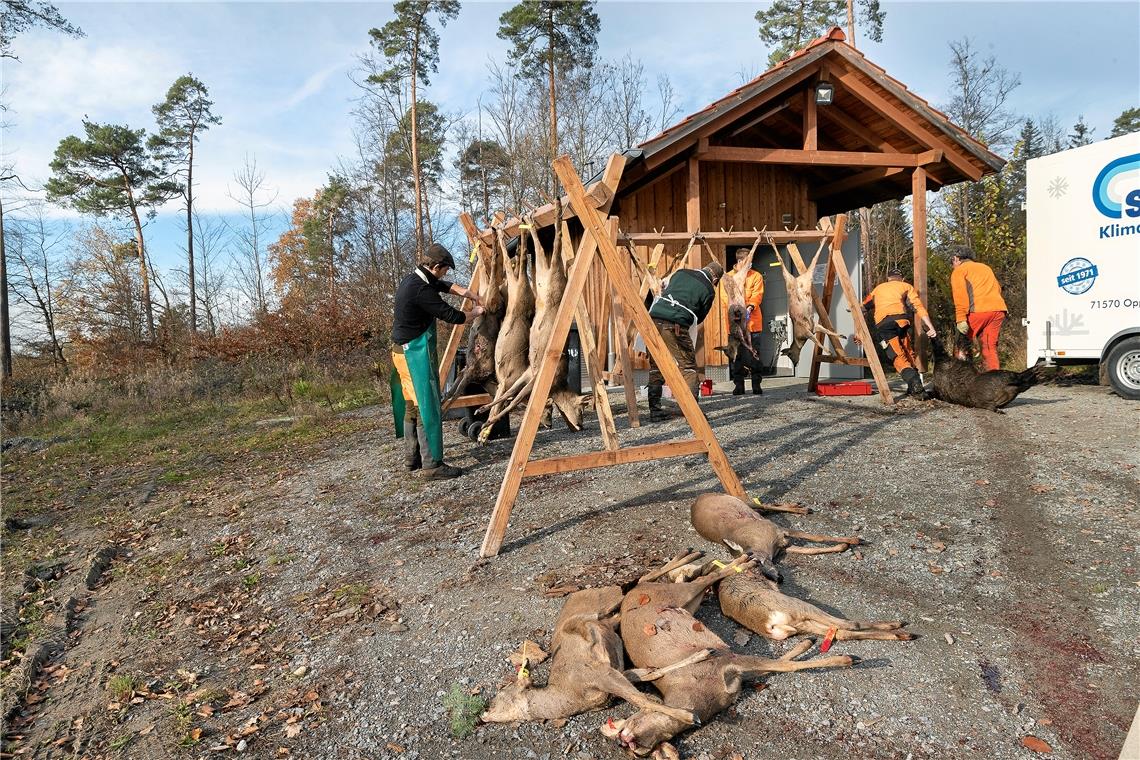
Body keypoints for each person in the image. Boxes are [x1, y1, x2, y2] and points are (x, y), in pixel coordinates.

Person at [390, 243, 484, 479]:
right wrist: (477, 313)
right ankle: (432, 465)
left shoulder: (414, 279)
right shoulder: (420, 290)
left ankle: (412, 460)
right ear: (435, 266)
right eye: (444, 270)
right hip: (413, 355)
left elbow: (441, 285)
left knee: (412, 405)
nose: (445, 275)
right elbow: (453, 315)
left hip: (402, 352)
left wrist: (467, 293)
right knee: (427, 406)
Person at [645, 260, 724, 421]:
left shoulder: (681, 273)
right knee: (688, 368)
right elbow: (700, 317)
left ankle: (655, 411)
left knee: (656, 366)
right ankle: (692, 413)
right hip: (675, 324)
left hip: (652, 320)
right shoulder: (709, 290)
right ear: (715, 280)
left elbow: (664, 288)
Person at [861, 267, 936, 399]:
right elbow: (918, 306)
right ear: (901, 278)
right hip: (902, 322)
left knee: (897, 357)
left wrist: (858, 331)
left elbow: (863, 307)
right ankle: (914, 388)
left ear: (888, 278)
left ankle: (914, 383)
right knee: (908, 352)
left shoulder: (878, 289)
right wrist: (930, 327)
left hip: (885, 325)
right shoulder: (906, 286)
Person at [950, 246, 1008, 371]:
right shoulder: (985, 268)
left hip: (978, 311)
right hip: (998, 310)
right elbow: (997, 288)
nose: (952, 265)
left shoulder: (959, 271)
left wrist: (960, 318)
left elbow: (960, 296)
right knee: (989, 346)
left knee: (961, 346)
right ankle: (994, 380)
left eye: (952, 262)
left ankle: (962, 379)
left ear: (956, 259)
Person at [719, 247, 765, 396]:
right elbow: (724, 297)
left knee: (755, 354)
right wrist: (736, 309)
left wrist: (750, 306)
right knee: (736, 355)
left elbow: (758, 294)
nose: (750, 264)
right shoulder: (727, 277)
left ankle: (756, 384)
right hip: (735, 325)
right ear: (741, 261)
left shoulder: (756, 276)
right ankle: (738, 385)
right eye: (748, 262)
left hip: (753, 324)